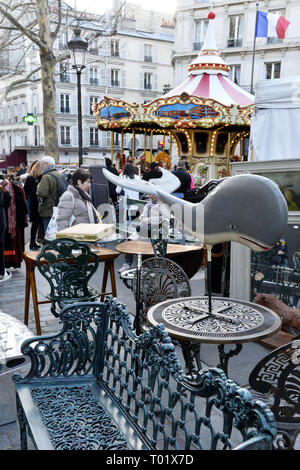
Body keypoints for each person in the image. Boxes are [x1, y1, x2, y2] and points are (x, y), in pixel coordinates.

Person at [118, 193, 170, 273]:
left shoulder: (163, 204)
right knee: (129, 240)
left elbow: (164, 219)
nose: (149, 195)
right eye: (149, 194)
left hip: (157, 231)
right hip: (145, 229)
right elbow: (142, 216)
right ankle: (127, 264)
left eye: (151, 194)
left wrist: (147, 220)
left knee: (146, 245)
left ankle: (146, 267)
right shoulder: (148, 204)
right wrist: (143, 218)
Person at [36, 156, 64, 232]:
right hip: (60, 207)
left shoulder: (46, 176)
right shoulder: (60, 174)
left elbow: (42, 193)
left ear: (47, 164)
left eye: (42, 163)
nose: (41, 166)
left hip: (48, 209)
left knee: (49, 233)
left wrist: (38, 188)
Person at [23, 161, 43, 250]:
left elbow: (25, 193)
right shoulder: (42, 178)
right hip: (40, 203)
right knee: (39, 223)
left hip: (33, 203)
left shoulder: (29, 178)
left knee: (35, 224)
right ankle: (35, 241)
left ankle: (32, 242)